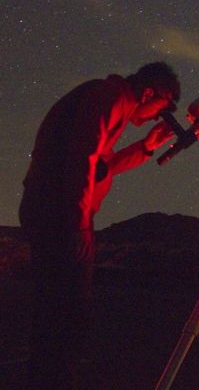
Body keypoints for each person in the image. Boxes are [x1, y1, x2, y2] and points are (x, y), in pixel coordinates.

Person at [18, 62, 180, 390]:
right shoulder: (110, 98)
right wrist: (78, 224)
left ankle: (51, 378)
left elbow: (103, 167)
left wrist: (147, 146)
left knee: (59, 315)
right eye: (159, 109)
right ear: (149, 93)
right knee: (65, 316)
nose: (153, 117)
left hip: (57, 215)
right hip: (60, 219)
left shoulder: (110, 98)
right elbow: (83, 158)